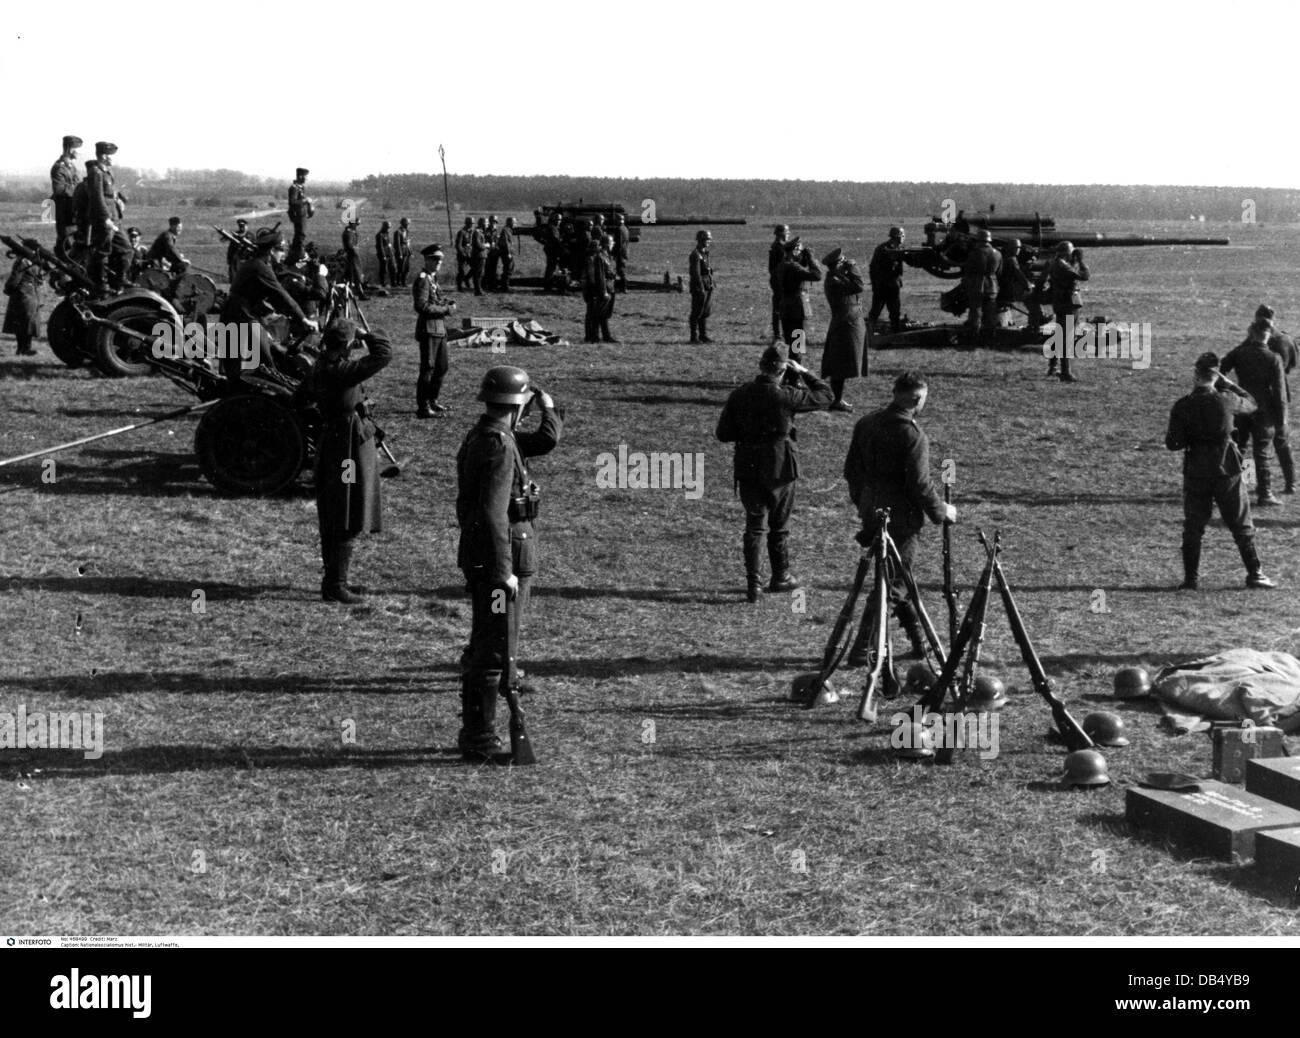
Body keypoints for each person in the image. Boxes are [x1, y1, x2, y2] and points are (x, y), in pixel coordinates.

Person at [455, 366, 563, 761]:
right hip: (502, 561)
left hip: (486, 558)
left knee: (489, 643)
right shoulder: (500, 445)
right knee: (496, 648)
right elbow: (493, 513)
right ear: (518, 408)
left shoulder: (487, 435)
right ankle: (480, 739)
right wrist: (504, 573)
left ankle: (477, 734)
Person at [843, 371, 957, 661]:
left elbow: (851, 472)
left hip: (872, 510)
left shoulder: (866, 423)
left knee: (900, 576)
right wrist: (941, 511)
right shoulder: (912, 435)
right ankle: (863, 647)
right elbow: (919, 484)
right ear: (917, 398)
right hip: (901, 518)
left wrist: (864, 504)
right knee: (893, 582)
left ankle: (919, 643)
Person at [716, 346, 833, 601]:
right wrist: (803, 372)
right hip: (781, 466)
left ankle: (753, 584)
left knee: (754, 526)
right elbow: (826, 396)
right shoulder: (787, 395)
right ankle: (780, 575)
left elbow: (723, 434)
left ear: (760, 366)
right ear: (783, 370)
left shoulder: (740, 394)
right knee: (779, 525)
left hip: (748, 465)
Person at [1166, 351, 1275, 589]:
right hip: (1227, 469)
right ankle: (1255, 573)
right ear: (1216, 376)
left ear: (1196, 375)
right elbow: (1252, 403)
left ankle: (1190, 579)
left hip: (1196, 470)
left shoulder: (1183, 405)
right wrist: (1230, 385)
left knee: (1193, 526)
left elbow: (1173, 444)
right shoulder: (1227, 399)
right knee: (1241, 523)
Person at [306, 318, 392, 604]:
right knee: (346, 510)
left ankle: (334, 579)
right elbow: (384, 354)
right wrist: (367, 334)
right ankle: (336, 584)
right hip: (347, 452)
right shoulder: (341, 370)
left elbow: (299, 399)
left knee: (336, 510)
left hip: (333, 443)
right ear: (345, 345)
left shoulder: (320, 366)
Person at [219, 228, 319, 382]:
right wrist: (304, 319)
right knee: (267, 360)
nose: (284, 254)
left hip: (235, 313)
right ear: (272, 251)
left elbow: (273, 297)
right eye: (281, 250)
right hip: (241, 315)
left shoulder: (257, 263)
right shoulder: (261, 268)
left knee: (236, 363)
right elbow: (280, 294)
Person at [1221, 318, 1288, 506]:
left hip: (1241, 406)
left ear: (1251, 332)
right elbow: (1279, 392)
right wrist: (1281, 418)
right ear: (1269, 334)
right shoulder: (1273, 358)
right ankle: (1264, 493)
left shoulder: (1240, 353)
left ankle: (1235, 488)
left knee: (1238, 447)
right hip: (1264, 410)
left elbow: (1221, 369)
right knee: (1262, 452)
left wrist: (1228, 391)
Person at [1253, 304, 1296, 494]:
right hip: (1281, 396)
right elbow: (1294, 362)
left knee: (1255, 444)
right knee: (1282, 442)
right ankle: (1291, 483)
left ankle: (1251, 482)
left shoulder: (1255, 340)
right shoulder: (1286, 339)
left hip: (1259, 398)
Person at [820, 247, 866, 412]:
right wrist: (852, 269)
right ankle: (837, 399)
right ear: (837, 264)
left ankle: (838, 399)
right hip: (844, 324)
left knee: (842, 363)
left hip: (846, 322)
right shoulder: (835, 280)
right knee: (839, 364)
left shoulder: (837, 277)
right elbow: (859, 286)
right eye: (843, 261)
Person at [413, 244, 456, 418]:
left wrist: (447, 302)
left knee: (442, 367)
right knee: (428, 368)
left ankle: (432, 400)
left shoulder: (432, 278)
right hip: (429, 329)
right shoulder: (423, 278)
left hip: (439, 329)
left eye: (440, 259)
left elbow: (437, 298)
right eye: (435, 259)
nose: (439, 262)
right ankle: (423, 407)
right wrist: (446, 310)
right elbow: (421, 306)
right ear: (427, 260)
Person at [85, 142, 133, 293]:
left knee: (126, 248)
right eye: (111, 156)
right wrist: (105, 218)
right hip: (104, 220)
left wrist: (119, 201)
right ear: (104, 156)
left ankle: (121, 279)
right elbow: (97, 197)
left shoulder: (108, 172)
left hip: (114, 218)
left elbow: (111, 193)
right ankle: (101, 283)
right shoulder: (96, 172)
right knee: (103, 251)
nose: (113, 159)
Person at [776, 238, 822, 367]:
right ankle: (794, 378)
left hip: (786, 308)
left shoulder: (782, 265)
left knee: (790, 343)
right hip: (797, 311)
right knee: (797, 346)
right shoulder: (794, 267)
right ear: (795, 250)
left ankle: (788, 373)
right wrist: (811, 258)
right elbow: (817, 275)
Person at [1048, 240, 1088, 382]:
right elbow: (1085, 276)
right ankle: (1066, 372)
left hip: (1061, 302)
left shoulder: (1055, 263)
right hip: (1068, 304)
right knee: (1066, 338)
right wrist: (1081, 261)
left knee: (1059, 335)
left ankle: (1053, 366)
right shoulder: (1063, 266)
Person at [962, 228, 1001, 346]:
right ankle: (990, 339)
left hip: (977, 286)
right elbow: (999, 272)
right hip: (992, 286)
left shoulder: (975, 253)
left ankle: (974, 338)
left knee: (976, 312)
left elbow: (968, 270)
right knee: (991, 313)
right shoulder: (998, 253)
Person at [3, 250, 42, 356]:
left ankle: (22, 349)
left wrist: (8, 289)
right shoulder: (35, 262)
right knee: (28, 322)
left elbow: (15, 278)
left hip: (22, 294)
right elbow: (39, 279)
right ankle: (25, 348)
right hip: (31, 294)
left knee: (22, 323)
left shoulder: (22, 261)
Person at [49, 135, 82, 260]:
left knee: (74, 242)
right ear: (70, 150)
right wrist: (79, 190)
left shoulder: (71, 167)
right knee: (65, 242)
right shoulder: (59, 167)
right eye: (77, 149)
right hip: (64, 210)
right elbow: (59, 189)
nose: (79, 153)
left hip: (73, 210)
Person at [868, 227, 906, 333]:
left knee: (895, 312)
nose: (903, 238)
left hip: (892, 285)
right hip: (883, 285)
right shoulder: (883, 249)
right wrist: (875, 284)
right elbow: (873, 268)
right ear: (898, 237)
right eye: (902, 236)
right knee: (876, 310)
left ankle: (895, 332)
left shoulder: (898, 248)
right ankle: (869, 333)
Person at [996, 238, 1031, 326]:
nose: (1018, 250)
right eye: (1017, 248)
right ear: (1012, 249)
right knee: (1031, 296)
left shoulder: (1006, 258)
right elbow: (1019, 274)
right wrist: (1028, 285)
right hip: (1008, 290)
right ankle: (1039, 317)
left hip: (1003, 288)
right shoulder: (1012, 259)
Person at [688, 230, 714, 344]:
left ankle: (703, 335)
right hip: (699, 287)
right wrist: (700, 288)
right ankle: (693, 337)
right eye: (707, 239)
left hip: (707, 285)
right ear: (701, 240)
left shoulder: (704, 253)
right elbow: (696, 273)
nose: (709, 241)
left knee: (704, 312)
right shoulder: (695, 255)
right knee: (697, 312)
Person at [768, 225, 789, 345]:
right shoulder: (780, 247)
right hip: (781, 281)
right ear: (782, 234)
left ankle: (778, 334)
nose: (788, 234)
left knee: (777, 307)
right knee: (782, 308)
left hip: (777, 280)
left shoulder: (776, 245)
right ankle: (779, 335)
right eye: (787, 232)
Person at [287, 167, 312, 265]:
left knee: (300, 235)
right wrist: (306, 200)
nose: (307, 179)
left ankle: (296, 253)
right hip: (297, 215)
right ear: (300, 176)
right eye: (306, 177)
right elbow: (292, 202)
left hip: (302, 214)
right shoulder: (293, 188)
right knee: (300, 235)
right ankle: (298, 255)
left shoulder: (301, 187)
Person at [540, 212, 564, 293]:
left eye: (560, 219)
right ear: (553, 219)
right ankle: (547, 286)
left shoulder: (553, 227)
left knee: (551, 267)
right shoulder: (553, 228)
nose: (558, 221)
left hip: (550, 249)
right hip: (552, 250)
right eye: (557, 219)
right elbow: (555, 240)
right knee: (551, 267)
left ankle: (547, 285)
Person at [341, 221, 366, 298]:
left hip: (353, 256)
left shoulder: (351, 232)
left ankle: (354, 293)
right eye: (356, 225)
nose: (356, 226)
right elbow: (349, 245)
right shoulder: (348, 233)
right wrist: (355, 248)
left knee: (350, 276)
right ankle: (359, 294)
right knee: (354, 275)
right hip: (351, 257)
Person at [227, 218, 252, 282]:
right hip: (236, 257)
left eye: (243, 226)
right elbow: (231, 247)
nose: (242, 228)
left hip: (246, 258)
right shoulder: (236, 235)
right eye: (240, 226)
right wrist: (229, 258)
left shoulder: (250, 235)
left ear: (246, 226)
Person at [470, 217, 489, 295]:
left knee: (479, 273)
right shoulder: (477, 232)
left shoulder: (480, 232)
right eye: (486, 223)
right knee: (478, 273)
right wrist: (486, 245)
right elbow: (478, 244)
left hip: (480, 255)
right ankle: (478, 290)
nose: (487, 225)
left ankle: (478, 289)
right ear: (482, 224)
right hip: (479, 256)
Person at [374, 220, 396, 288]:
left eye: (389, 227)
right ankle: (383, 283)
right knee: (384, 269)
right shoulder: (379, 235)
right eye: (387, 227)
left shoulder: (386, 234)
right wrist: (383, 255)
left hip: (389, 254)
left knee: (393, 268)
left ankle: (393, 283)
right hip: (384, 255)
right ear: (384, 227)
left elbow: (388, 244)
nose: (389, 229)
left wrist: (392, 252)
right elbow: (380, 246)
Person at [454, 217, 474, 291]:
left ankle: (466, 279)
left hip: (470, 254)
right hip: (462, 255)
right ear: (466, 224)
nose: (471, 225)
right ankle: (459, 286)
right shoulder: (462, 232)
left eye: (472, 224)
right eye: (469, 224)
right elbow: (458, 245)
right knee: (461, 271)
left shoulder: (472, 232)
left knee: (475, 267)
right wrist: (463, 253)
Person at [497, 217, 516, 293]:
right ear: (510, 223)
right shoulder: (505, 230)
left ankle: (504, 285)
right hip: (506, 253)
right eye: (514, 222)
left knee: (509, 268)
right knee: (508, 269)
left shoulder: (508, 230)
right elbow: (506, 243)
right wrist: (508, 253)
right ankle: (505, 287)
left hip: (507, 252)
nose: (515, 224)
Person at [613, 212, 630, 291]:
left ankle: (624, 287)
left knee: (621, 270)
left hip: (621, 252)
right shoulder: (625, 228)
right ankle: (623, 287)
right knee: (622, 269)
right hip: (625, 251)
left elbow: (619, 243)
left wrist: (615, 253)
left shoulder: (619, 229)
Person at [393, 217, 412, 287]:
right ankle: (398, 282)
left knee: (407, 268)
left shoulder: (407, 231)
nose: (408, 225)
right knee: (400, 268)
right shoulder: (398, 232)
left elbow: (408, 242)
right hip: (401, 252)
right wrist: (400, 254)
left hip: (407, 252)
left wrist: (410, 252)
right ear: (403, 223)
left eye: (408, 223)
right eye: (407, 223)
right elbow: (397, 244)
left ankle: (404, 282)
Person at [483, 215, 500, 290]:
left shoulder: (496, 231)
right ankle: (485, 285)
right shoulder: (486, 230)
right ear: (490, 222)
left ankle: (492, 285)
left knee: (494, 269)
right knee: (487, 268)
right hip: (488, 252)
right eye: (493, 222)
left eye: (495, 222)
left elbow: (497, 241)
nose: (494, 223)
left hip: (495, 252)